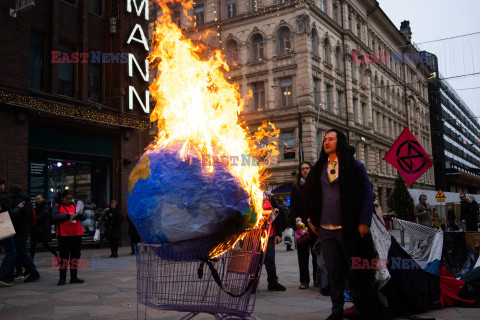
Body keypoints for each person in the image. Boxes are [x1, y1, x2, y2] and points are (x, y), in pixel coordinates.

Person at [303, 129, 380, 320]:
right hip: (326, 230)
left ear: (340, 141)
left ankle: (361, 309)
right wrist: (311, 219)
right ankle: (336, 311)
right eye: (324, 140)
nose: (326, 142)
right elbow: (309, 196)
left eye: (331, 139)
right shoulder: (318, 168)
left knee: (356, 272)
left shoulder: (355, 166)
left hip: (350, 229)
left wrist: (364, 221)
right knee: (333, 273)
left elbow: (367, 195)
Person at [290, 161, 319, 289]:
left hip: (314, 225)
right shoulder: (296, 187)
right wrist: (296, 224)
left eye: (307, 168)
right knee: (302, 255)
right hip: (301, 225)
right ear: (300, 172)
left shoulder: (317, 185)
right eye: (303, 169)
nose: (306, 171)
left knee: (316, 254)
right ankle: (304, 281)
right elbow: (293, 208)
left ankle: (318, 280)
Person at [51, 190, 86, 285]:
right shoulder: (57, 206)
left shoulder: (75, 206)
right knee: (64, 257)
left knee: (75, 256)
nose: (69, 200)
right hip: (64, 235)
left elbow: (84, 215)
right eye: (67, 198)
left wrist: (79, 215)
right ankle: (62, 278)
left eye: (70, 198)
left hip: (76, 234)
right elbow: (54, 217)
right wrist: (67, 216)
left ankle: (74, 277)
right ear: (62, 198)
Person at [8, 185, 41, 282]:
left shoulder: (18, 202)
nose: (10, 195)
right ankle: (16, 272)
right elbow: (30, 217)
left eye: (11, 193)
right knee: (20, 252)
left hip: (19, 230)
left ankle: (33, 272)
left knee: (22, 252)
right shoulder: (27, 201)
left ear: (14, 193)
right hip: (24, 230)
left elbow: (16, 216)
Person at [263, 192, 286, 291]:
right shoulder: (249, 193)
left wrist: (279, 234)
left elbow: (277, 215)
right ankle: (252, 282)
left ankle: (272, 282)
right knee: (254, 259)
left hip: (269, 233)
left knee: (270, 257)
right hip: (253, 234)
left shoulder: (269, 197)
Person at [30, 194, 58, 259]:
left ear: (43, 198)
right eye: (36, 199)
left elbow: (45, 215)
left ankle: (56, 255)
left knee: (45, 245)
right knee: (33, 244)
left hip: (42, 228)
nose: (37, 200)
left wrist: (36, 218)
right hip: (37, 228)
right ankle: (31, 261)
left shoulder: (46, 205)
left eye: (39, 198)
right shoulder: (38, 206)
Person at [0, 179, 16, 287]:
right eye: (2, 184)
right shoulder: (2, 197)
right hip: (2, 226)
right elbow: (9, 211)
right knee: (11, 251)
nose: (4, 186)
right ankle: (2, 275)